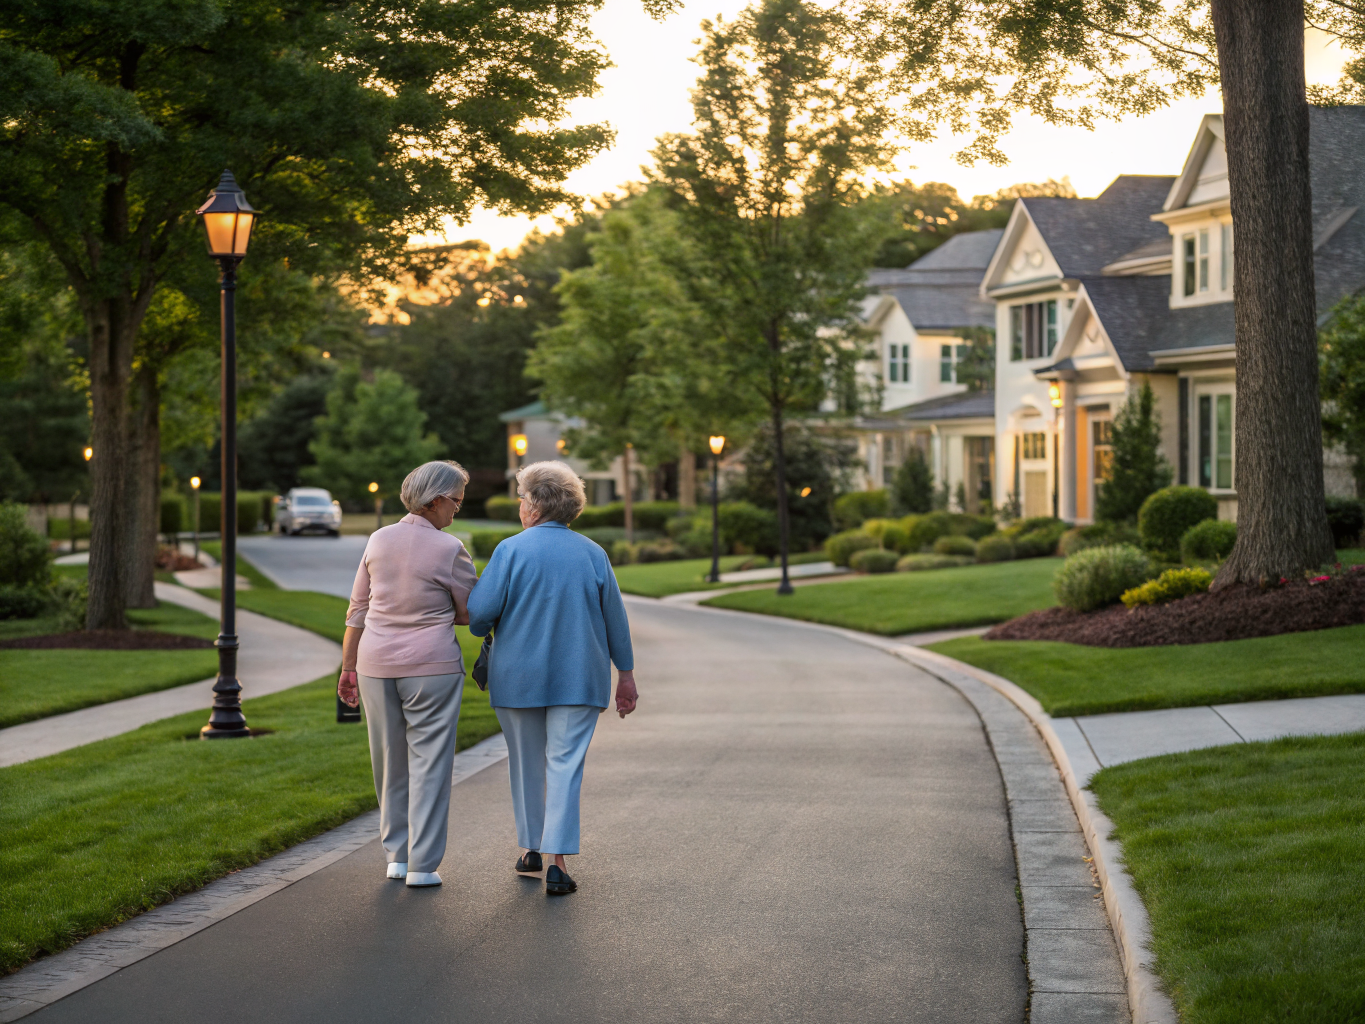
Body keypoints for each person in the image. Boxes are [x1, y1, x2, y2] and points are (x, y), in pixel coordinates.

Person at [468, 461, 637, 895]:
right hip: (580, 678)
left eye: (523, 499)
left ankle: (531, 850)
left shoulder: (510, 550)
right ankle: (558, 863)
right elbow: (616, 622)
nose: (521, 506)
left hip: (516, 678)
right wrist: (627, 677)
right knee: (565, 765)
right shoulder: (594, 553)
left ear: (537, 506)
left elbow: (478, 617)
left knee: (526, 764)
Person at [338, 460, 477, 888]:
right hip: (431, 667)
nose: (457, 511)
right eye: (455, 502)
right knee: (431, 764)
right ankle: (423, 865)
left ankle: (395, 856)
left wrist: (347, 668)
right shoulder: (449, 548)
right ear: (435, 501)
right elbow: (470, 612)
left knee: (388, 761)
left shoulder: (378, 540)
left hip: (374, 665)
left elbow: (357, 611)